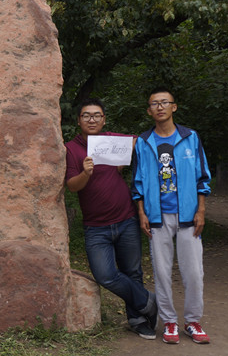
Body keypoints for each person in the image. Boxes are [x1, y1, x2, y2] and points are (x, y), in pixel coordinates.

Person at [65, 98, 157, 339]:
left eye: (97, 115)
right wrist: (86, 173)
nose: (92, 119)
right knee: (105, 275)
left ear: (104, 119)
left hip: (125, 218)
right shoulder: (71, 148)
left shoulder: (112, 141)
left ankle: (138, 319)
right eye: (86, 115)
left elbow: (139, 141)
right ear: (79, 120)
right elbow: (72, 186)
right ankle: (149, 302)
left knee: (133, 272)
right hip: (95, 227)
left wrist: (122, 162)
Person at [132, 87, 211, 345]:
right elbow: (138, 182)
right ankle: (169, 322)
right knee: (162, 271)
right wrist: (142, 212)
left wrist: (201, 210)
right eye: (154, 103)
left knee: (194, 271)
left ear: (173, 107)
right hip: (157, 217)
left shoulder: (190, 137)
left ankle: (192, 321)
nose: (160, 107)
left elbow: (202, 176)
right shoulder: (144, 143)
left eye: (164, 102)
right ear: (149, 110)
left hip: (188, 215)